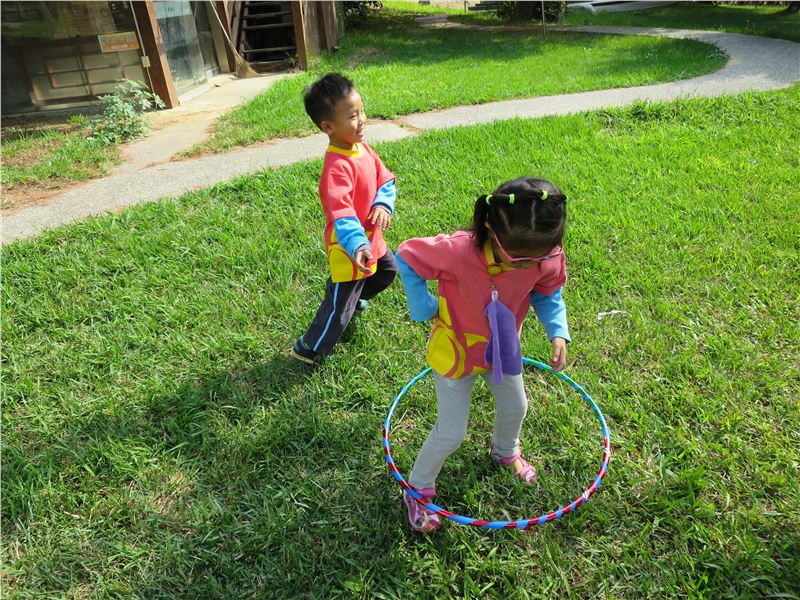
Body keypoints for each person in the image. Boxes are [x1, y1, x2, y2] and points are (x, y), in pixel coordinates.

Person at [395, 177, 570, 532]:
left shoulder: (544, 254)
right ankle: (417, 488)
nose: (529, 266)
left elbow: (548, 292)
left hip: (502, 349)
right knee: (451, 432)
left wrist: (557, 330)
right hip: (457, 352)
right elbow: (407, 256)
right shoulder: (458, 251)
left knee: (516, 407)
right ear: (491, 230)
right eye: (518, 259)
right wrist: (423, 306)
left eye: (541, 257)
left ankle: (505, 450)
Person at [290, 73, 398, 365]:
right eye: (352, 116)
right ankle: (309, 347)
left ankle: (357, 298)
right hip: (351, 249)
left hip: (373, 241)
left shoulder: (362, 148)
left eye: (362, 111)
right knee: (339, 307)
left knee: (387, 272)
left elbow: (385, 180)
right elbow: (343, 214)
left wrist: (383, 204)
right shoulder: (336, 168)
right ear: (328, 127)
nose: (362, 120)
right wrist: (358, 245)